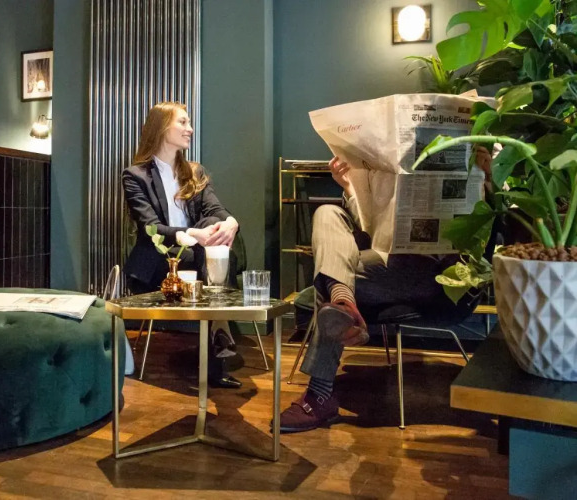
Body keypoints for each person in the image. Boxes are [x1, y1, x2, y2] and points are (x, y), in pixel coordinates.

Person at [278, 153, 489, 433]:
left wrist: (491, 177)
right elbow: (371, 230)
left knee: (331, 273)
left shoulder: (485, 151)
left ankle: (320, 391)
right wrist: (349, 188)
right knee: (327, 213)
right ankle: (343, 302)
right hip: (382, 263)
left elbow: (498, 222)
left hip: (436, 272)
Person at [122, 101, 242, 389]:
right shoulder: (135, 176)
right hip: (160, 261)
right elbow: (150, 228)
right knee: (207, 244)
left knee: (212, 225)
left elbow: (215, 209)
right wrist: (192, 233)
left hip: (198, 256)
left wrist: (231, 222)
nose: (190, 129)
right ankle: (220, 334)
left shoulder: (194, 172)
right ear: (162, 127)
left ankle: (217, 331)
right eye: (183, 122)